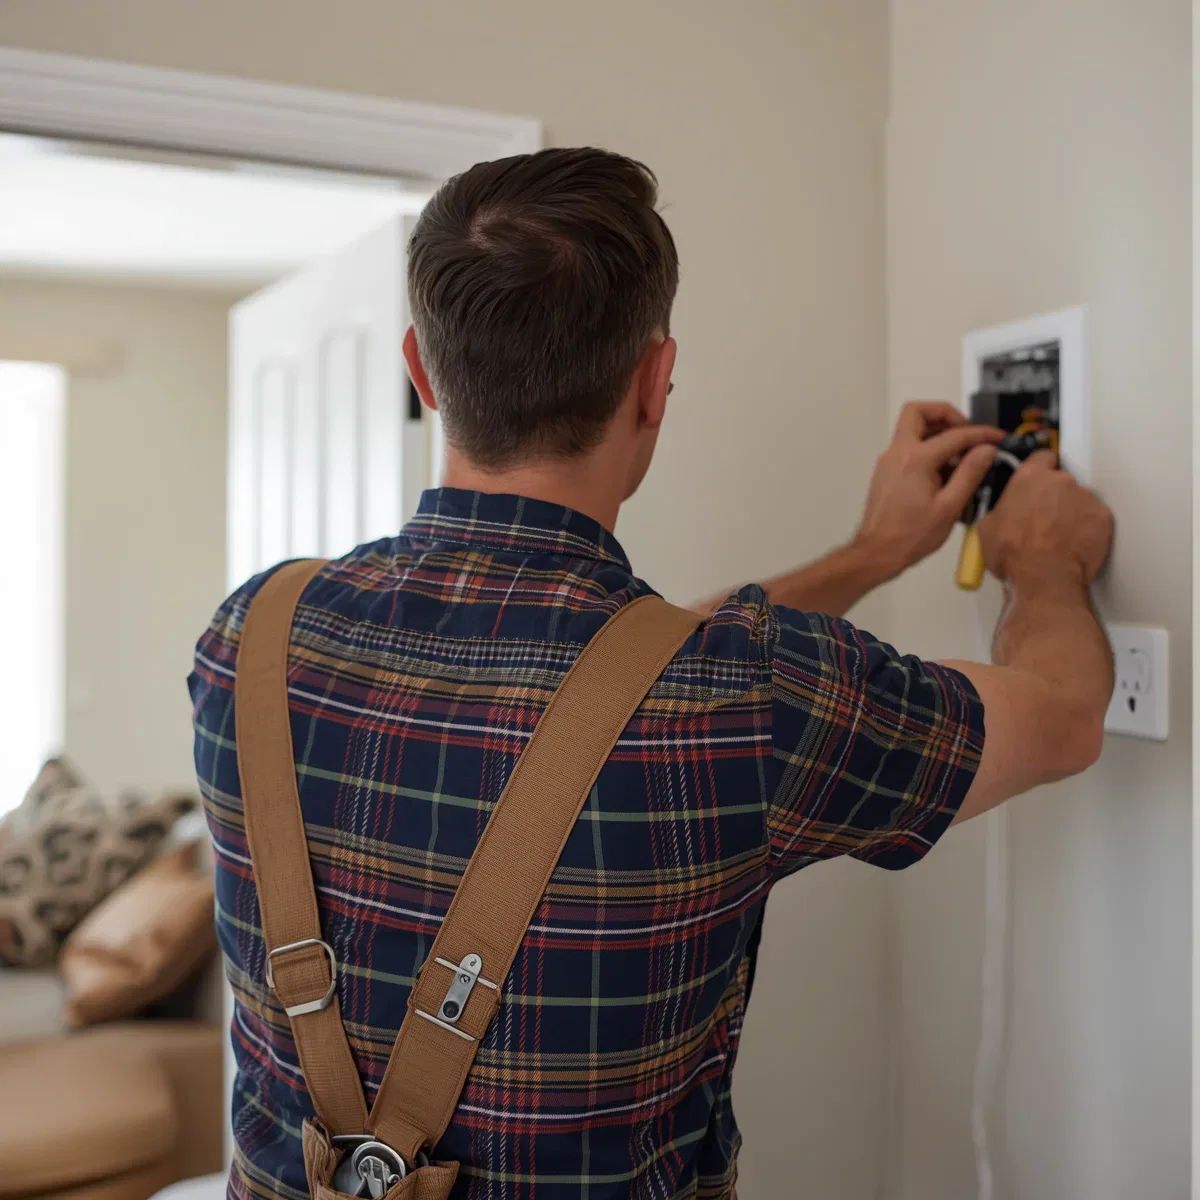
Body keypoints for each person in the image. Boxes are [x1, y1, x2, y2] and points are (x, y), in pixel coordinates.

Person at [191, 147, 1113, 1200]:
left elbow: (617, 682)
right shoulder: (747, 702)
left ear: (420, 368)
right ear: (655, 381)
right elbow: (1067, 716)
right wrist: (1041, 561)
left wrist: (869, 555)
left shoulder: (250, 636)